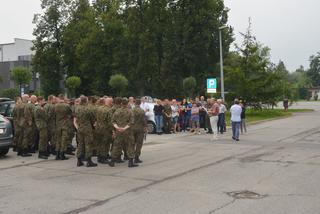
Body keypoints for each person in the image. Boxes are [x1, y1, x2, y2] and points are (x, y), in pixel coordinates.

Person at [109, 98, 137, 168]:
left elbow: (113, 121)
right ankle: (130, 162)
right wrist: (124, 128)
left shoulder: (117, 111)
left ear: (121, 103)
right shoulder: (130, 111)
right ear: (127, 103)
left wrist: (117, 128)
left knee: (116, 146)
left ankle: (112, 161)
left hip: (118, 131)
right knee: (130, 145)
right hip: (128, 132)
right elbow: (131, 122)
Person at [74, 96, 97, 167]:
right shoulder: (88, 109)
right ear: (86, 101)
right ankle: (89, 161)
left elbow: (75, 118)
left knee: (80, 144)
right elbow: (93, 119)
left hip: (80, 128)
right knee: (88, 144)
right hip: (87, 128)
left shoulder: (77, 108)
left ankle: (79, 160)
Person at [55, 94, 72, 160]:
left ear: (59, 98)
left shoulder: (55, 106)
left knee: (58, 139)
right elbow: (71, 113)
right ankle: (62, 154)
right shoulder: (66, 106)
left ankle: (57, 154)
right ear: (63, 98)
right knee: (64, 140)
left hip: (58, 124)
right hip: (65, 124)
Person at [132, 99, 147, 163]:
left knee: (132, 143)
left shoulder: (131, 110)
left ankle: (130, 156)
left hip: (132, 128)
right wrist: (145, 127)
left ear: (135, 103)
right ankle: (136, 157)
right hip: (140, 129)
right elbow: (144, 121)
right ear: (140, 103)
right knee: (139, 143)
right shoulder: (142, 111)